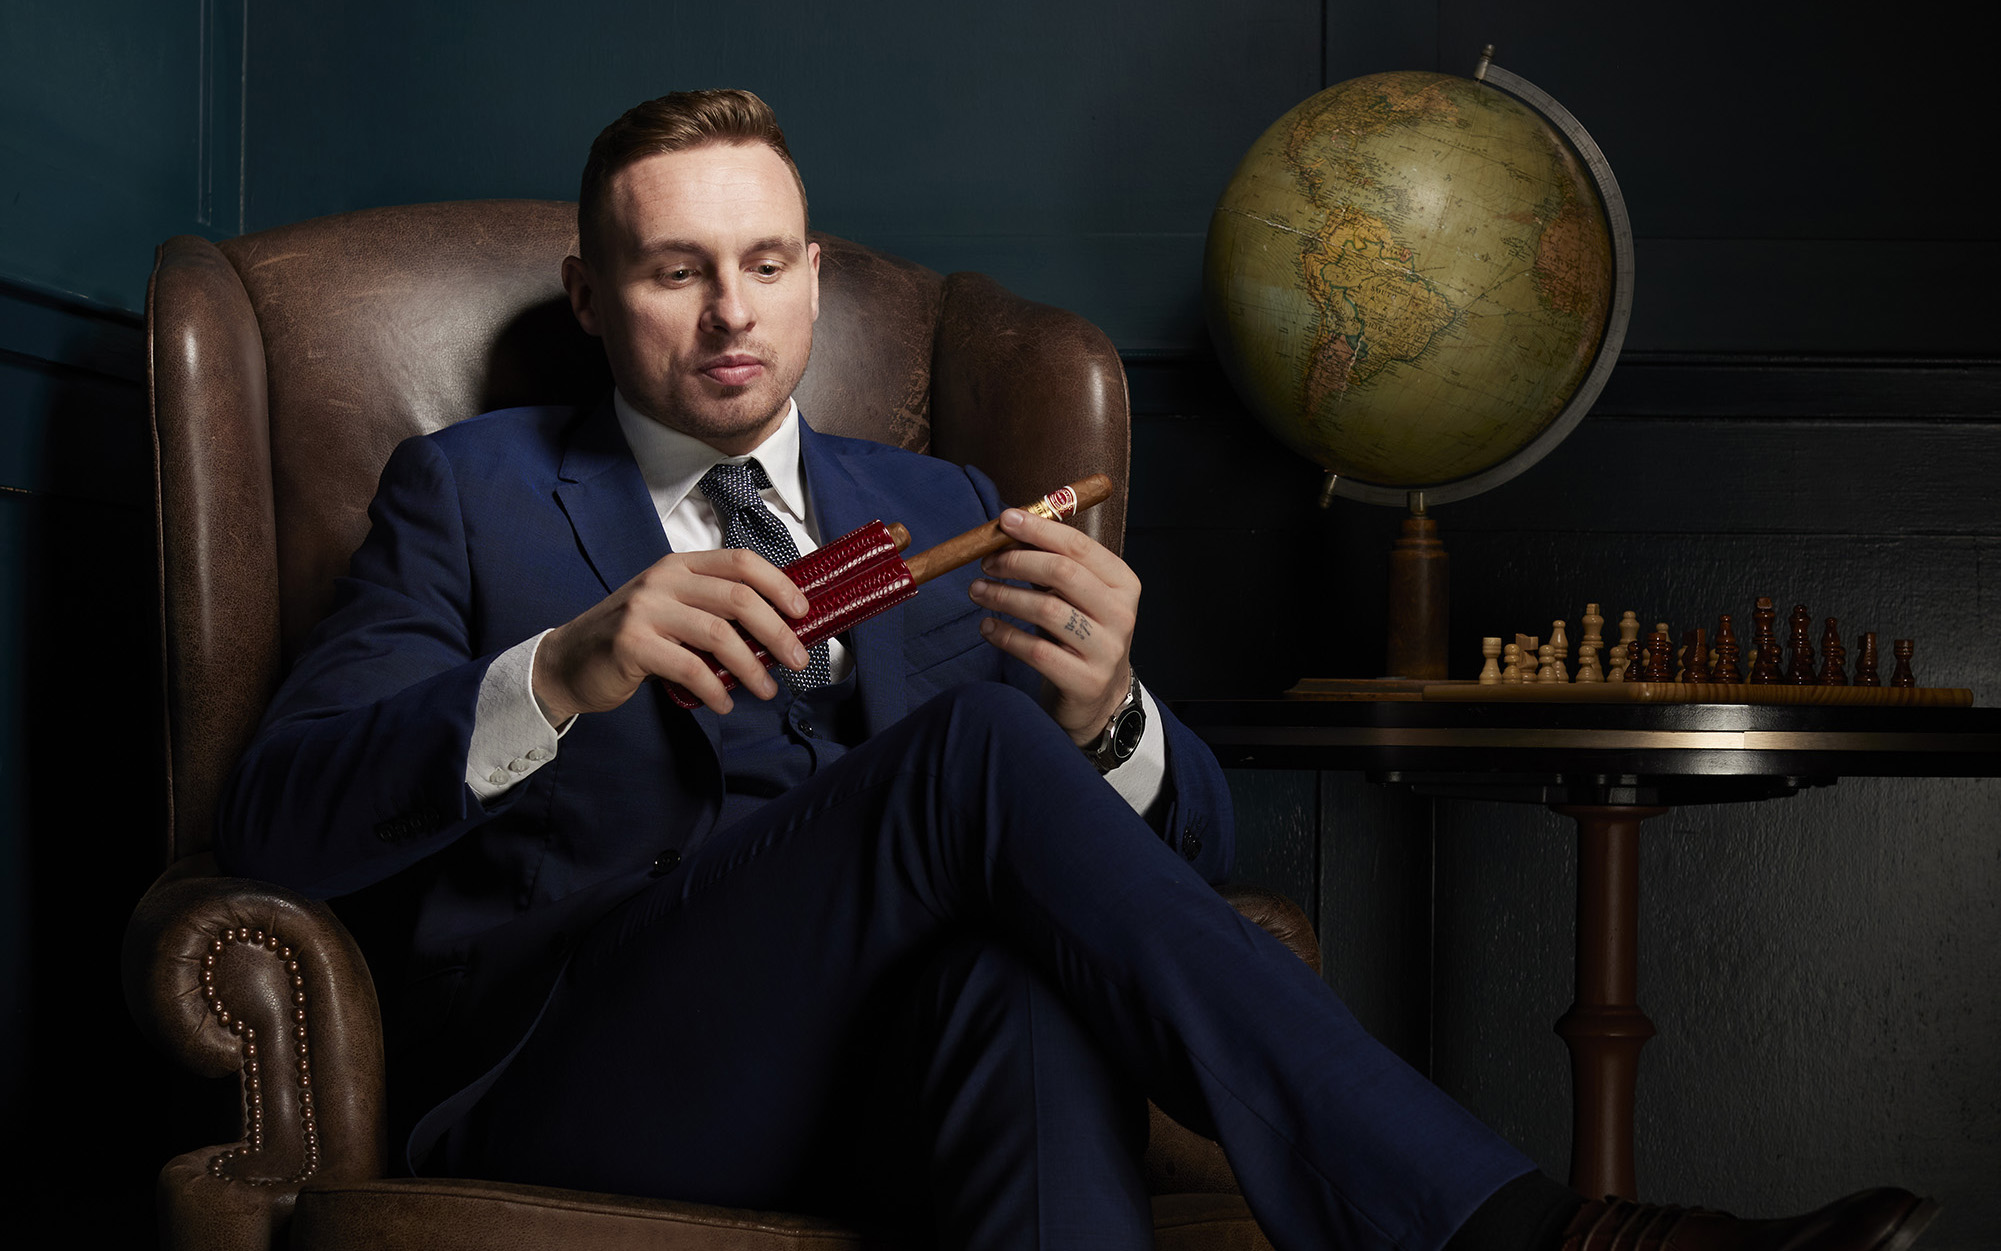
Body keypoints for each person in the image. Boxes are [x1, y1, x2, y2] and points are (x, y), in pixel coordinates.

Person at [216, 90, 1937, 1251]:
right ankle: (1506, 1231)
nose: (728, 314)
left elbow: (1167, 871)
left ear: (808, 276)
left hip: (886, 1076)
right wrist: (559, 676)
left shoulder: (942, 507)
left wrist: (1114, 716)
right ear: (592, 299)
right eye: (673, 273)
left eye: (762, 264)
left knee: (1023, 990)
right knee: (963, 761)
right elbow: (274, 823)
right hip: (594, 1084)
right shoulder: (474, 493)